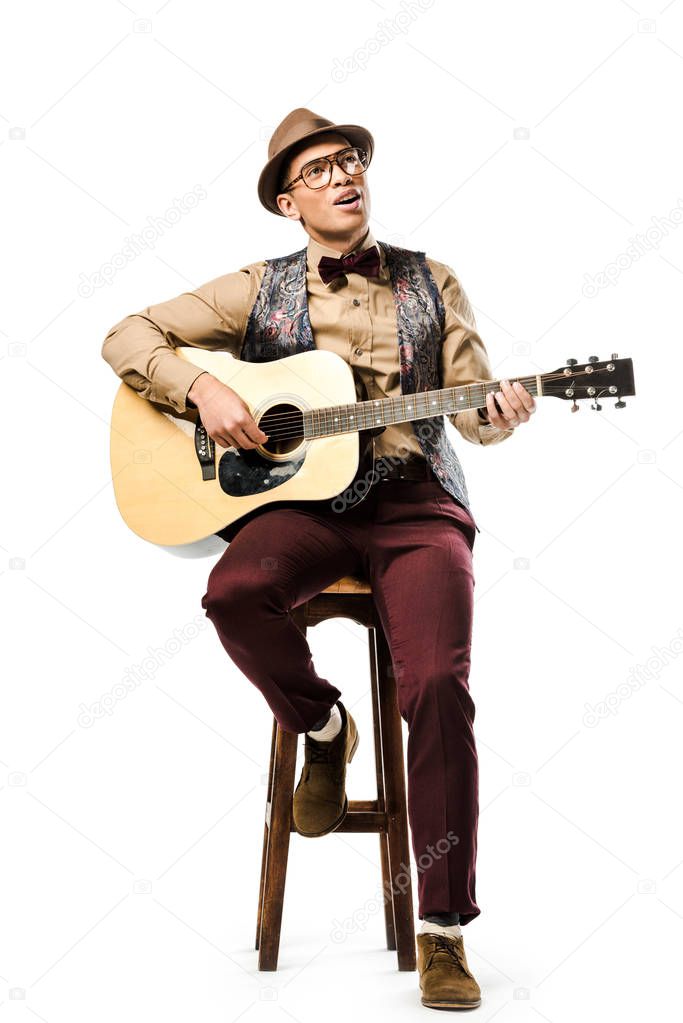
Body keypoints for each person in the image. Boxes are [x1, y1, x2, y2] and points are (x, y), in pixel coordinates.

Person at [102, 107, 537, 1010]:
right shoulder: (256, 287)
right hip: (305, 507)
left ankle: (444, 931)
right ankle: (324, 727)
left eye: (352, 161)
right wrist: (205, 384)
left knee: (437, 690)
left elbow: (468, 414)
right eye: (322, 170)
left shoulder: (432, 281)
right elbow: (126, 335)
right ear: (288, 201)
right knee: (234, 594)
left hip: (415, 505)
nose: (345, 177)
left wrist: (494, 413)